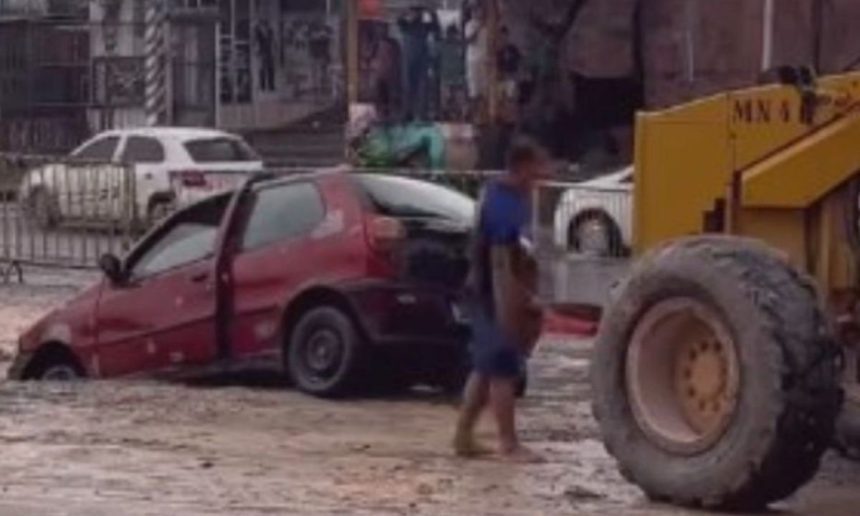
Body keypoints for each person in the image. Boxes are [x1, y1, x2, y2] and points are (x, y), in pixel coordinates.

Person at [454, 139, 548, 462]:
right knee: (503, 367)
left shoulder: (505, 194)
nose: (542, 173)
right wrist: (515, 305)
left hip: (490, 291)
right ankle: (509, 444)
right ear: (522, 167)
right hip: (494, 293)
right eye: (537, 166)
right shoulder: (503, 201)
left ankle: (463, 436)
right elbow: (501, 261)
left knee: (485, 368)